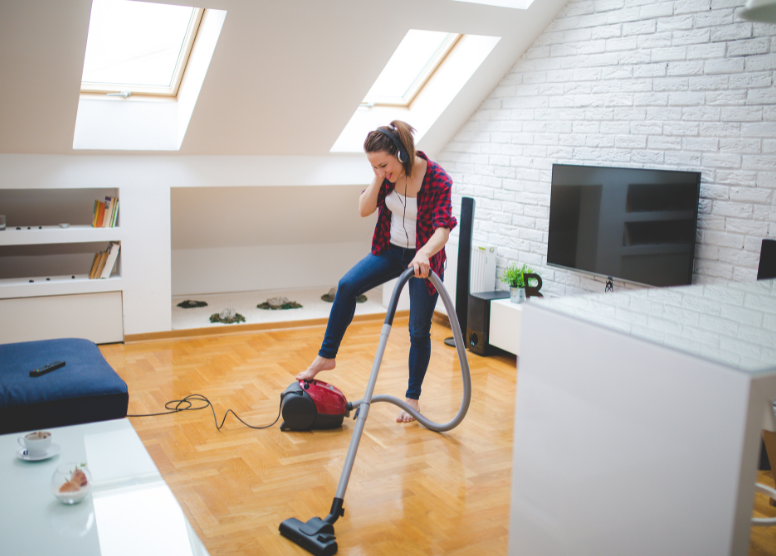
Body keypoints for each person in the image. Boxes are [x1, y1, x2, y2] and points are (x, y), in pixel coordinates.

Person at [296, 120, 457, 423]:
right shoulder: (386, 176)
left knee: (418, 330)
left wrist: (424, 252)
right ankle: (327, 356)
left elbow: (442, 229)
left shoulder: (437, 178)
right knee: (347, 286)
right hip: (390, 250)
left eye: (384, 164)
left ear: (402, 153)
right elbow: (364, 209)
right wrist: (379, 178)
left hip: (424, 261)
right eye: (374, 167)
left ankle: (413, 398)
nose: (382, 171)